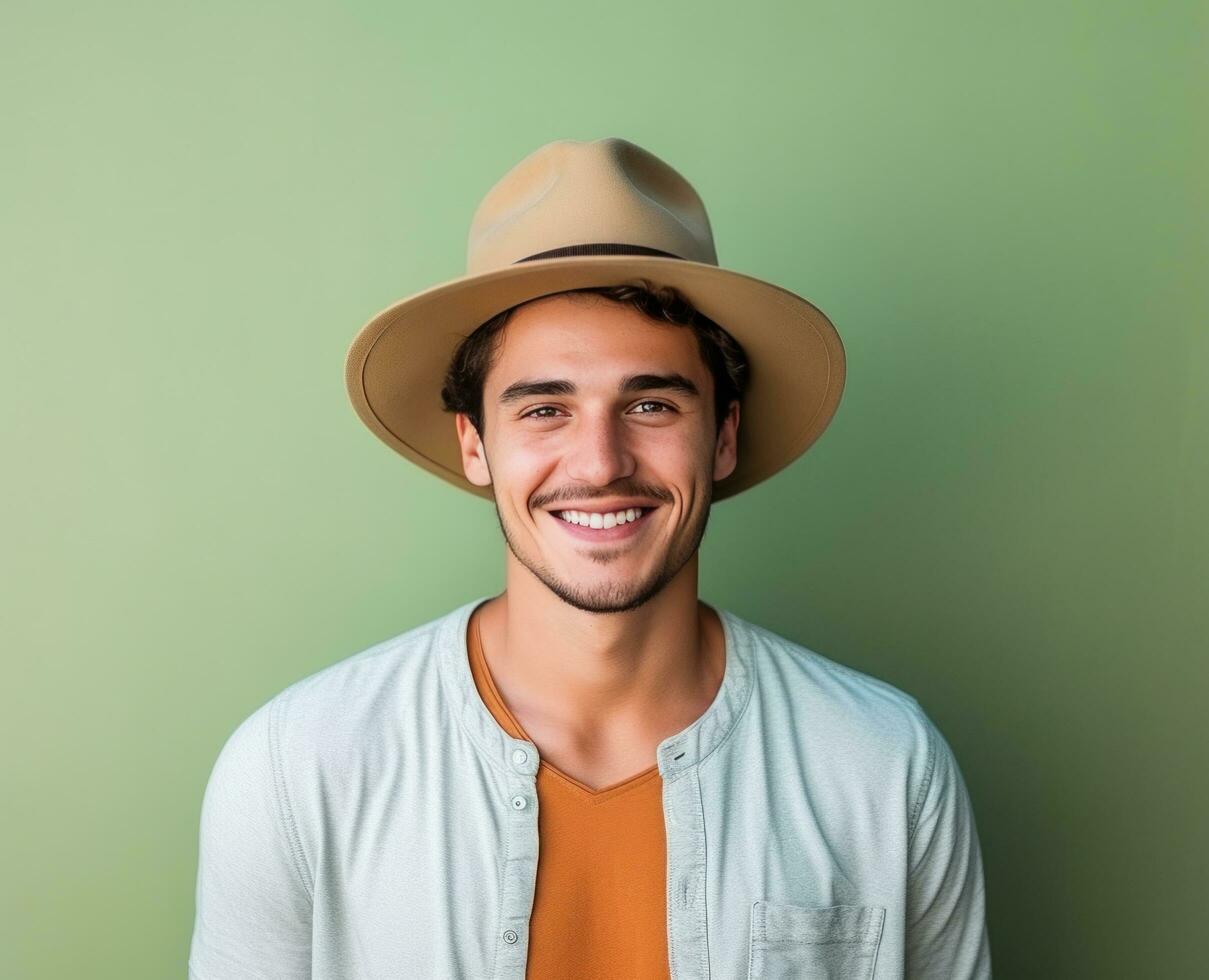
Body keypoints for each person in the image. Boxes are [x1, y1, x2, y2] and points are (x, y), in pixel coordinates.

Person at [188, 138, 991, 979]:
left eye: (649, 403)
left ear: (721, 437)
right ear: (474, 446)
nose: (600, 462)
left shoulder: (880, 762)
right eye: (543, 409)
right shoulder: (298, 766)